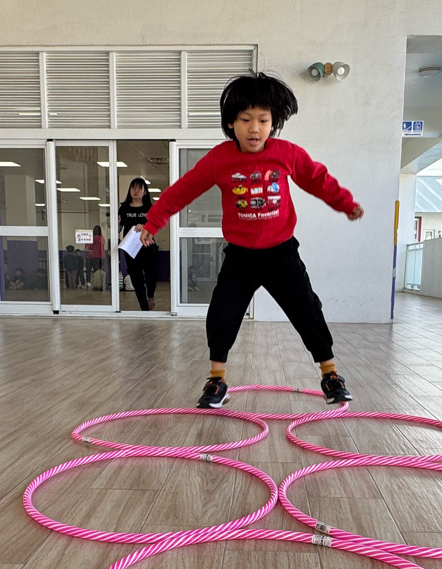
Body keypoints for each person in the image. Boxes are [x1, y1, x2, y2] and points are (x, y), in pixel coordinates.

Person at [140, 71, 364, 408]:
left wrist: (345, 203)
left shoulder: (286, 153)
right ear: (231, 123)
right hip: (240, 258)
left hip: (281, 254)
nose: (254, 128)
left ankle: (330, 374)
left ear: (274, 122)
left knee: (307, 310)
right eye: (245, 120)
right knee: (222, 314)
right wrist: (154, 220)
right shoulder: (219, 159)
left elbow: (317, 179)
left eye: (263, 120)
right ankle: (217, 380)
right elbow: (183, 190)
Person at [118, 178, 159, 310]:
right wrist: (116, 222)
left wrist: (145, 227)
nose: (135, 191)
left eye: (139, 188)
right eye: (133, 188)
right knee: (136, 278)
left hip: (147, 245)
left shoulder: (150, 208)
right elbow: (117, 229)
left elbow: (156, 226)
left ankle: (150, 295)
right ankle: (144, 308)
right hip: (130, 247)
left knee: (151, 276)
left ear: (145, 192)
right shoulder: (123, 208)